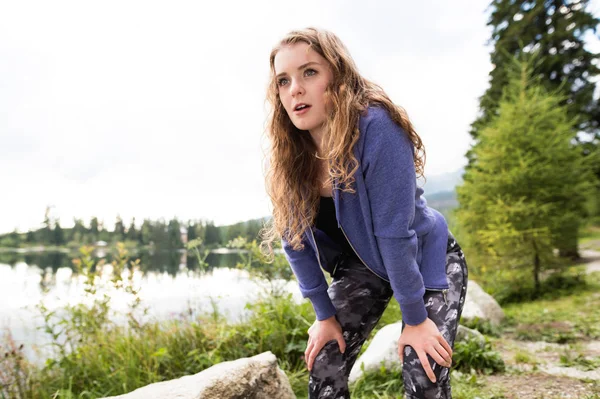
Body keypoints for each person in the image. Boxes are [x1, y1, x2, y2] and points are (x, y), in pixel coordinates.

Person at [260, 27, 469, 399]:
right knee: (325, 361)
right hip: (364, 267)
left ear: (337, 76)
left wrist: (415, 320)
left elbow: (394, 234)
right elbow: (295, 242)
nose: (295, 89)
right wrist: (324, 316)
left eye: (310, 72)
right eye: (283, 80)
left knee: (423, 369)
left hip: (421, 257)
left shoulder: (376, 128)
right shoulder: (290, 153)